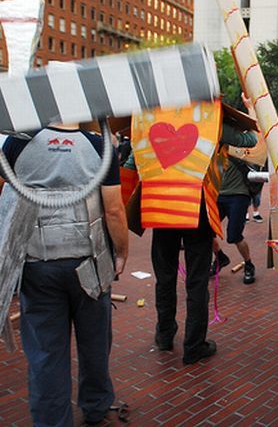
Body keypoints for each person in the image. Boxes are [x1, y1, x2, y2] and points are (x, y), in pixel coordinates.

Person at [0, 123, 128, 425]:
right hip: (90, 262)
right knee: (95, 342)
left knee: (45, 352)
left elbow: (5, 197)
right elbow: (113, 209)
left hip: (35, 263)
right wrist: (121, 252)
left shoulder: (19, 143)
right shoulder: (100, 147)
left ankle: (52, 420)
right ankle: (96, 406)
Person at [153, 107, 258, 361]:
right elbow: (250, 140)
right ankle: (193, 345)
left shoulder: (154, 119)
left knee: (165, 276)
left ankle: (165, 335)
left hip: (161, 202)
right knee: (197, 279)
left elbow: (134, 162)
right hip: (197, 204)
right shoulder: (211, 120)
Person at [210, 95, 259, 284]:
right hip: (217, 195)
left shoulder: (236, 139)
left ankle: (249, 264)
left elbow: (255, 133)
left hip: (238, 195)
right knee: (205, 233)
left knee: (234, 235)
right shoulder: (210, 141)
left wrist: (250, 108)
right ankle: (220, 257)